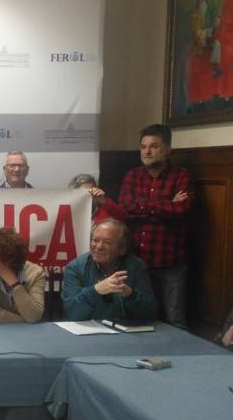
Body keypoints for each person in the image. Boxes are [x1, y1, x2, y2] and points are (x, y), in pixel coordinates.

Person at [118, 124, 192, 328]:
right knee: (135, 318)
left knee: (175, 320)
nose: (147, 152)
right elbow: (124, 209)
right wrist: (166, 204)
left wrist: (142, 207)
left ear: (167, 149)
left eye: (154, 146)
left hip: (170, 263)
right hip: (136, 261)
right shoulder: (132, 176)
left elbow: (182, 209)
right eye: (143, 147)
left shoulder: (181, 176)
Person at [61, 219, 157, 321]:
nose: (99, 247)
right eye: (95, 240)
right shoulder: (76, 268)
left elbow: (151, 314)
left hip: (123, 329)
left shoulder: (136, 267)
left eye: (107, 242)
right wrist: (95, 291)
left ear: (122, 249)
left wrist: (130, 296)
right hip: (85, 328)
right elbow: (72, 313)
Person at [0, 227, 46, 323]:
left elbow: (34, 316)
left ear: (9, 261)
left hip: (29, 331)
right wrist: (26, 321)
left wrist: (14, 283)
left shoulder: (36, 273)